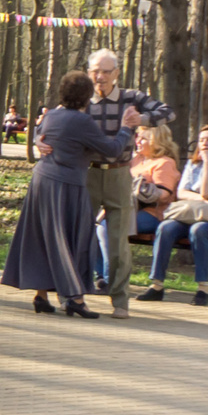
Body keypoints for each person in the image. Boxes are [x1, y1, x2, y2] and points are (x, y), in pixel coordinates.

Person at [1, 70, 136, 319]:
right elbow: (112, 149)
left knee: (44, 236)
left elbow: (40, 131)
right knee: (73, 237)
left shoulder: (53, 115)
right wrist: (127, 128)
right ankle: (75, 298)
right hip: (66, 185)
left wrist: (36, 140)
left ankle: (41, 296)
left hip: (41, 180)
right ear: (86, 97)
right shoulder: (81, 121)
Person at [82, 49, 139, 315]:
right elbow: (55, 122)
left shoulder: (131, 98)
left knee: (117, 242)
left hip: (119, 174)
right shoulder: (81, 99)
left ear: (116, 74)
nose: (100, 76)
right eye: (96, 70)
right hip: (87, 174)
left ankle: (120, 301)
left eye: (106, 71)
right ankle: (74, 294)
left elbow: (167, 112)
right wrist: (40, 141)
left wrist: (142, 119)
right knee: (79, 235)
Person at [142, 125, 208, 304]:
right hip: (191, 214)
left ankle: (203, 289)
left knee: (198, 230)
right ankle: (157, 285)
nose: (204, 143)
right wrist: (204, 200)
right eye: (201, 140)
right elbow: (182, 193)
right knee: (166, 227)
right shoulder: (193, 164)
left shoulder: (204, 163)